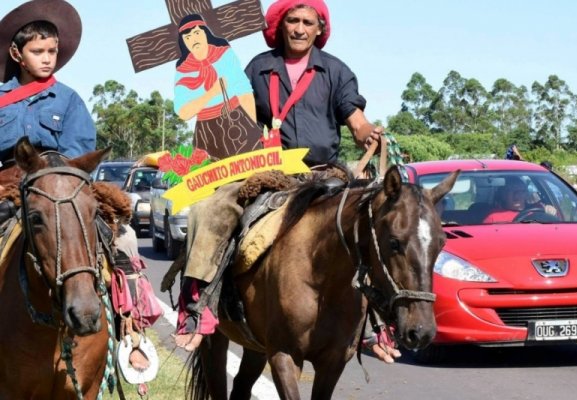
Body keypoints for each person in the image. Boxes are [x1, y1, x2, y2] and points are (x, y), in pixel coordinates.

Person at [172, 0, 396, 362]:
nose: (300, 28)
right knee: (210, 209)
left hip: (324, 175)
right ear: (281, 25)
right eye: (293, 20)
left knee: (374, 224)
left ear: (320, 29)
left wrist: (369, 132)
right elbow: (238, 121)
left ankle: (379, 324)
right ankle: (198, 306)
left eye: (309, 22)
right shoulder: (259, 68)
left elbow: (356, 121)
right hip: (268, 173)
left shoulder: (336, 71)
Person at [0, 0, 150, 374]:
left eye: (52, 51)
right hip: (3, 191)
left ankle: (131, 338)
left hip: (58, 189)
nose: (48, 59)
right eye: (38, 52)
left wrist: (48, 175)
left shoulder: (68, 100)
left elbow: (80, 150)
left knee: (124, 239)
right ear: (17, 54)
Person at [174, 13, 262, 159]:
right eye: (187, 37)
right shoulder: (183, 70)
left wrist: (252, 130)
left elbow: (244, 91)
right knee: (212, 175)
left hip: (236, 120)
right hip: (206, 130)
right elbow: (184, 112)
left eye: (197, 33)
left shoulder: (224, 54)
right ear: (183, 42)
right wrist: (212, 93)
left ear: (205, 32)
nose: (193, 40)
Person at [483, 177, 556, 223]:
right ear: (503, 195)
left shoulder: (540, 209)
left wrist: (550, 210)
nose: (517, 195)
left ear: (526, 194)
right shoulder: (494, 217)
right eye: (512, 191)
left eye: (522, 191)